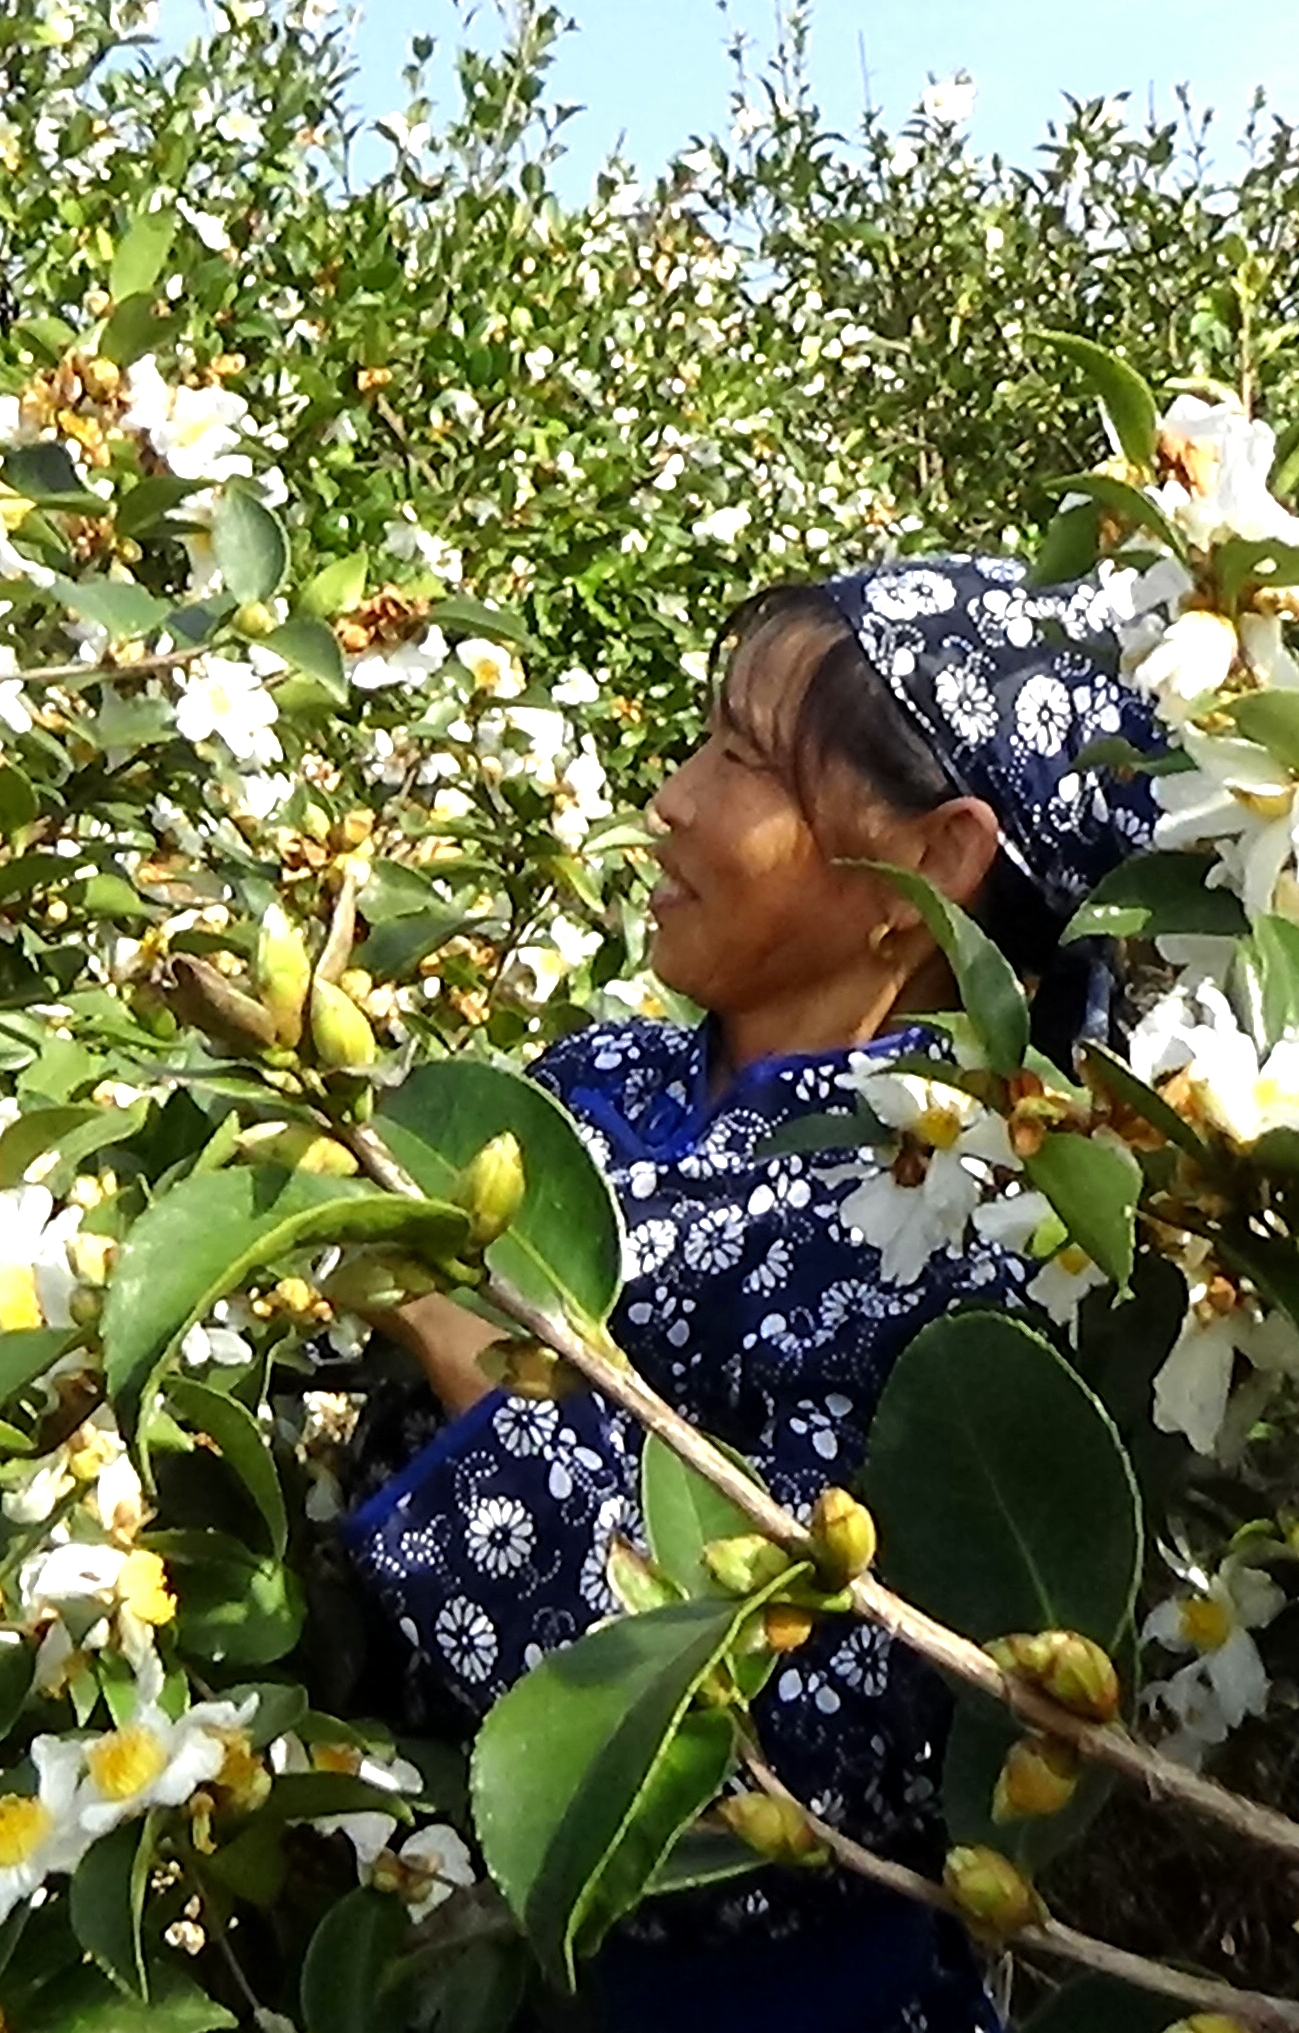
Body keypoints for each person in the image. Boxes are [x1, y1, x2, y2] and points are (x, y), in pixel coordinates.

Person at [343, 554, 1160, 2033]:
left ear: (939, 864)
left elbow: (778, 1767)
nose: (671, 796)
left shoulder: (980, 1228)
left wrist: (476, 1349)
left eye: (740, 759)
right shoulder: (601, 1077)